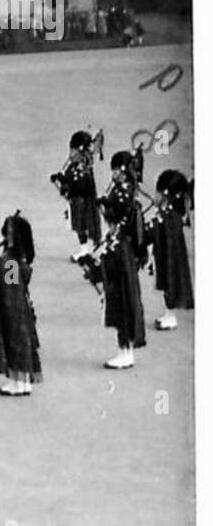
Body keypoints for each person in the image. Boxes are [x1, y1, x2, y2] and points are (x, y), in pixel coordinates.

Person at [0, 213, 42, 396]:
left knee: (14, 342)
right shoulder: (17, 259)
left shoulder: (8, 263)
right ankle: (22, 380)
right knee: (21, 341)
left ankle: (18, 381)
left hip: (10, 308)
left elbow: (7, 287)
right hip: (19, 305)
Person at [98, 151, 148, 369]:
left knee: (122, 298)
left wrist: (105, 209)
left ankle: (125, 351)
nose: (114, 173)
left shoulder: (121, 195)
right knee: (123, 298)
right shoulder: (126, 192)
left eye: (116, 169)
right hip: (125, 249)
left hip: (122, 251)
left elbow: (117, 220)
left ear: (123, 171)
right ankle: (124, 349)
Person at [148, 170, 193, 331]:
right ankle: (168, 314)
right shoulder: (167, 213)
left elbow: (160, 235)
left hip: (168, 257)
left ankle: (170, 316)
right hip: (163, 255)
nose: (155, 195)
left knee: (169, 283)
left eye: (157, 192)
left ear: (165, 194)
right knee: (166, 284)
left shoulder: (169, 216)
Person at [51, 131, 102, 262]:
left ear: (79, 151)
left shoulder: (83, 168)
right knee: (79, 226)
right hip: (76, 201)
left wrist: (67, 185)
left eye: (73, 150)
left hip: (82, 202)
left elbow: (82, 185)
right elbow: (68, 179)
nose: (70, 153)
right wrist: (60, 178)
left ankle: (86, 250)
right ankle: (84, 249)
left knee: (82, 226)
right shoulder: (75, 167)